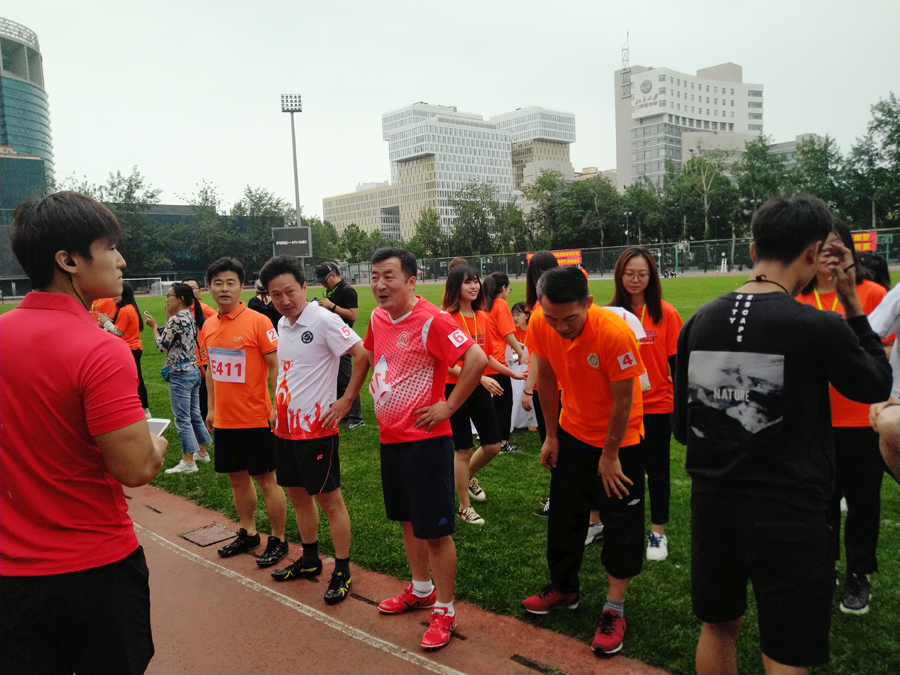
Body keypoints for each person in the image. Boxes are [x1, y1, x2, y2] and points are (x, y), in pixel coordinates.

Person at [672, 196, 891, 674]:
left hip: (714, 504)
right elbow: (875, 383)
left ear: (753, 248)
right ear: (814, 254)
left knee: (717, 625)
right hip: (790, 511)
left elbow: (687, 432)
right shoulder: (818, 325)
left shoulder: (699, 321)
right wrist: (852, 301)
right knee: (788, 647)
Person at [0, 191, 167, 675]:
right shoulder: (100, 349)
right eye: (109, 246)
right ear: (68, 260)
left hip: (11, 574)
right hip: (94, 570)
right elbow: (136, 467)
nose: (122, 260)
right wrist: (156, 442)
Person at [363, 247, 487, 651]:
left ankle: (446, 610)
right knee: (407, 520)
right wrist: (348, 397)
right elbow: (369, 354)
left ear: (412, 280)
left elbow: (476, 358)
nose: (380, 284)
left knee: (434, 532)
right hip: (391, 440)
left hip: (427, 444)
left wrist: (449, 406)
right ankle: (421, 590)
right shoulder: (377, 317)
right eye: (374, 276)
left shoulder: (433, 319)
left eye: (389, 276)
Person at [521, 266, 646, 657]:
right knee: (564, 515)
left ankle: (614, 608)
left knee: (621, 522)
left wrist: (609, 456)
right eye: (552, 318)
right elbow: (543, 377)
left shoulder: (614, 334)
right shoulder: (542, 321)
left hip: (620, 441)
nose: (560, 327)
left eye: (570, 318)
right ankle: (564, 587)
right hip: (572, 434)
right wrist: (552, 436)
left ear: (588, 303)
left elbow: (624, 400)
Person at [259, 256, 369, 605]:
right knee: (297, 495)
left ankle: (342, 569)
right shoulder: (283, 323)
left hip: (317, 430)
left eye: (290, 291)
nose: (284, 300)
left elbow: (362, 353)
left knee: (329, 501)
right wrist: (277, 408)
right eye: (276, 295)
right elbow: (288, 371)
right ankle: (309, 559)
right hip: (286, 429)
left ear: (305, 287)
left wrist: (346, 400)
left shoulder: (323, 319)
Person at [795, 219, 890, 615]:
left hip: (862, 419)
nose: (828, 256)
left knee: (864, 502)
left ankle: (859, 574)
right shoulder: (796, 300)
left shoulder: (873, 294)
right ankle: (826, 566)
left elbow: (882, 358)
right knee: (821, 501)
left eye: (837, 248)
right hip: (817, 421)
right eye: (822, 248)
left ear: (849, 252)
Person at [202, 257, 289, 568]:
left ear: (242, 287)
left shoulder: (258, 321)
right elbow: (211, 369)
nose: (224, 288)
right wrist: (211, 409)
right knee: (237, 479)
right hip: (224, 420)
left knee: (267, 479)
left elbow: (275, 365)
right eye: (218, 282)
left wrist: (276, 406)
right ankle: (249, 532)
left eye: (230, 282)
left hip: (255, 417)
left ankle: (278, 538)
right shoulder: (209, 325)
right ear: (208, 287)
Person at [609, 247, 683, 561]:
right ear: (619, 275)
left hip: (657, 407)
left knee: (658, 470)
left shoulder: (665, 313)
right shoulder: (611, 314)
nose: (635, 280)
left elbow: (678, 366)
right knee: (627, 472)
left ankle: (658, 532)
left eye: (642, 274)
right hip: (624, 408)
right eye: (629, 273)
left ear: (651, 276)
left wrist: (682, 407)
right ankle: (628, 527)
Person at [441, 265, 525, 525]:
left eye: (475, 281)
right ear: (456, 286)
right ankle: (464, 507)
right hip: (453, 388)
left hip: (477, 385)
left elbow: (486, 356)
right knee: (463, 449)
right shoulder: (446, 319)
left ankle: (466, 477)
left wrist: (511, 374)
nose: (474, 286)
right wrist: (480, 377)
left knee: (493, 445)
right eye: (467, 282)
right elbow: (445, 362)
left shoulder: (482, 317)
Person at [145, 283, 212, 474]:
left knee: (182, 419)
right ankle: (202, 452)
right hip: (193, 371)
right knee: (195, 415)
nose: (166, 299)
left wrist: (153, 327)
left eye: (169, 295)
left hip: (180, 374)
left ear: (180, 299)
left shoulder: (176, 319)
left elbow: (162, 345)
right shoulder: (189, 316)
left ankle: (188, 462)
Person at [522, 251, 559, 518]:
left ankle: (559, 498)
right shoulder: (557, 302)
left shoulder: (539, 308)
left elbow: (536, 355)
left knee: (553, 444)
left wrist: (527, 389)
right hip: (561, 385)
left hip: (547, 388)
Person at [315, 262, 364, 429]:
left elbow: (353, 314)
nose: (322, 283)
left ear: (332, 275)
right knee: (335, 378)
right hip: (331, 340)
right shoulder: (332, 290)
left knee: (346, 379)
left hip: (343, 340)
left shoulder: (347, 290)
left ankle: (356, 417)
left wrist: (332, 306)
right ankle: (342, 413)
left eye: (324, 280)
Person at [483, 271, 526, 453]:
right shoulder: (500, 304)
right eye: (509, 289)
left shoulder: (485, 304)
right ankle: (502, 441)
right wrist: (520, 351)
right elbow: (507, 333)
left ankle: (489, 436)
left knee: (492, 402)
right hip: (498, 361)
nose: (509, 292)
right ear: (503, 288)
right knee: (504, 401)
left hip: (485, 359)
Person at [99, 281, 151, 417]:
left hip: (129, 349)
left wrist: (106, 322)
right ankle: (143, 409)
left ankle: (144, 409)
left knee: (135, 379)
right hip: (134, 347)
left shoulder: (124, 310)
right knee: (136, 378)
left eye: (117, 293)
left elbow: (118, 332)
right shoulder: (130, 308)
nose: (113, 296)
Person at [182, 276, 215, 420]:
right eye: (185, 288)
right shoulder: (179, 309)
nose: (189, 291)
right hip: (184, 360)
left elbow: (220, 325)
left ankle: (206, 419)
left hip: (202, 360)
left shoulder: (205, 309)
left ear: (200, 291)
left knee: (203, 395)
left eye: (193, 288)